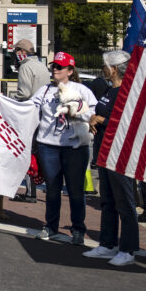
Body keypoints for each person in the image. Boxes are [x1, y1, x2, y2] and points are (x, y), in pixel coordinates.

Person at [83, 50, 146, 266]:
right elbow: (103, 115)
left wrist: (102, 120)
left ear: (113, 68)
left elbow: (130, 122)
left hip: (120, 153)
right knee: (108, 201)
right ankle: (107, 243)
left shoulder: (128, 92)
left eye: (105, 65)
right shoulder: (109, 90)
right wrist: (94, 118)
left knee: (125, 202)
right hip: (104, 151)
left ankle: (128, 248)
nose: (103, 68)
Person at [31, 51, 97, 245]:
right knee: (52, 189)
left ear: (70, 70)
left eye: (59, 67)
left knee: (76, 190)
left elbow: (93, 113)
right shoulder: (44, 90)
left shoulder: (81, 89)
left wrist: (77, 111)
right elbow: (29, 110)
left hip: (74, 147)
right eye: (53, 66)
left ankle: (78, 229)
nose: (55, 69)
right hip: (48, 146)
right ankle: (51, 226)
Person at [10, 38, 48, 203]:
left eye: (16, 51)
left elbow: (24, 93)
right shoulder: (41, 65)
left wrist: (10, 99)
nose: (15, 55)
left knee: (28, 154)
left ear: (22, 52)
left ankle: (31, 192)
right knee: (40, 152)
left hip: (30, 115)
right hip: (44, 114)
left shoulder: (25, 66)